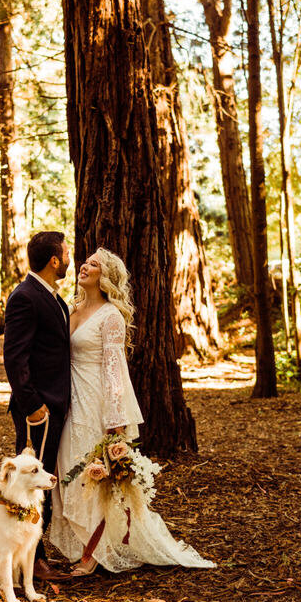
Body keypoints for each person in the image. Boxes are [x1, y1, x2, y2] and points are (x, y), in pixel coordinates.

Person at [49, 247, 216, 576]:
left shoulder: (110, 316)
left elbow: (114, 372)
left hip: (95, 405)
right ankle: (86, 546)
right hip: (69, 402)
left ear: (106, 277)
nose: (84, 266)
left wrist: (116, 424)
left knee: (88, 477)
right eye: (85, 262)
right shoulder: (72, 309)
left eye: (93, 265)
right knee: (68, 473)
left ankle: (91, 555)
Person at [3, 231, 72, 582]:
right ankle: (33, 559)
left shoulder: (54, 299)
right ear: (54, 260)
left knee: (41, 481)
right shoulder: (25, 297)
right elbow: (14, 358)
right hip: (38, 411)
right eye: (66, 251)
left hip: (55, 406)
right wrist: (32, 405)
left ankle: (32, 553)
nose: (70, 256)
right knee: (30, 484)